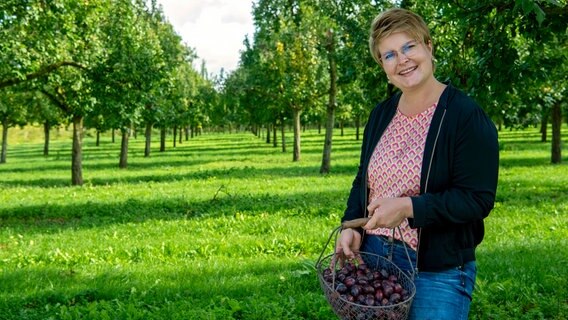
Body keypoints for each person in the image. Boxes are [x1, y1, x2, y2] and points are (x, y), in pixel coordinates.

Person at [334, 7, 499, 320]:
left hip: (435, 270)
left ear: (429, 47)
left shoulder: (465, 117)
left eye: (409, 46)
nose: (403, 60)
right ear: (383, 66)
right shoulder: (381, 115)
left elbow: (477, 199)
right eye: (390, 54)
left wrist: (409, 208)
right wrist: (351, 226)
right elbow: (364, 182)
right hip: (374, 260)